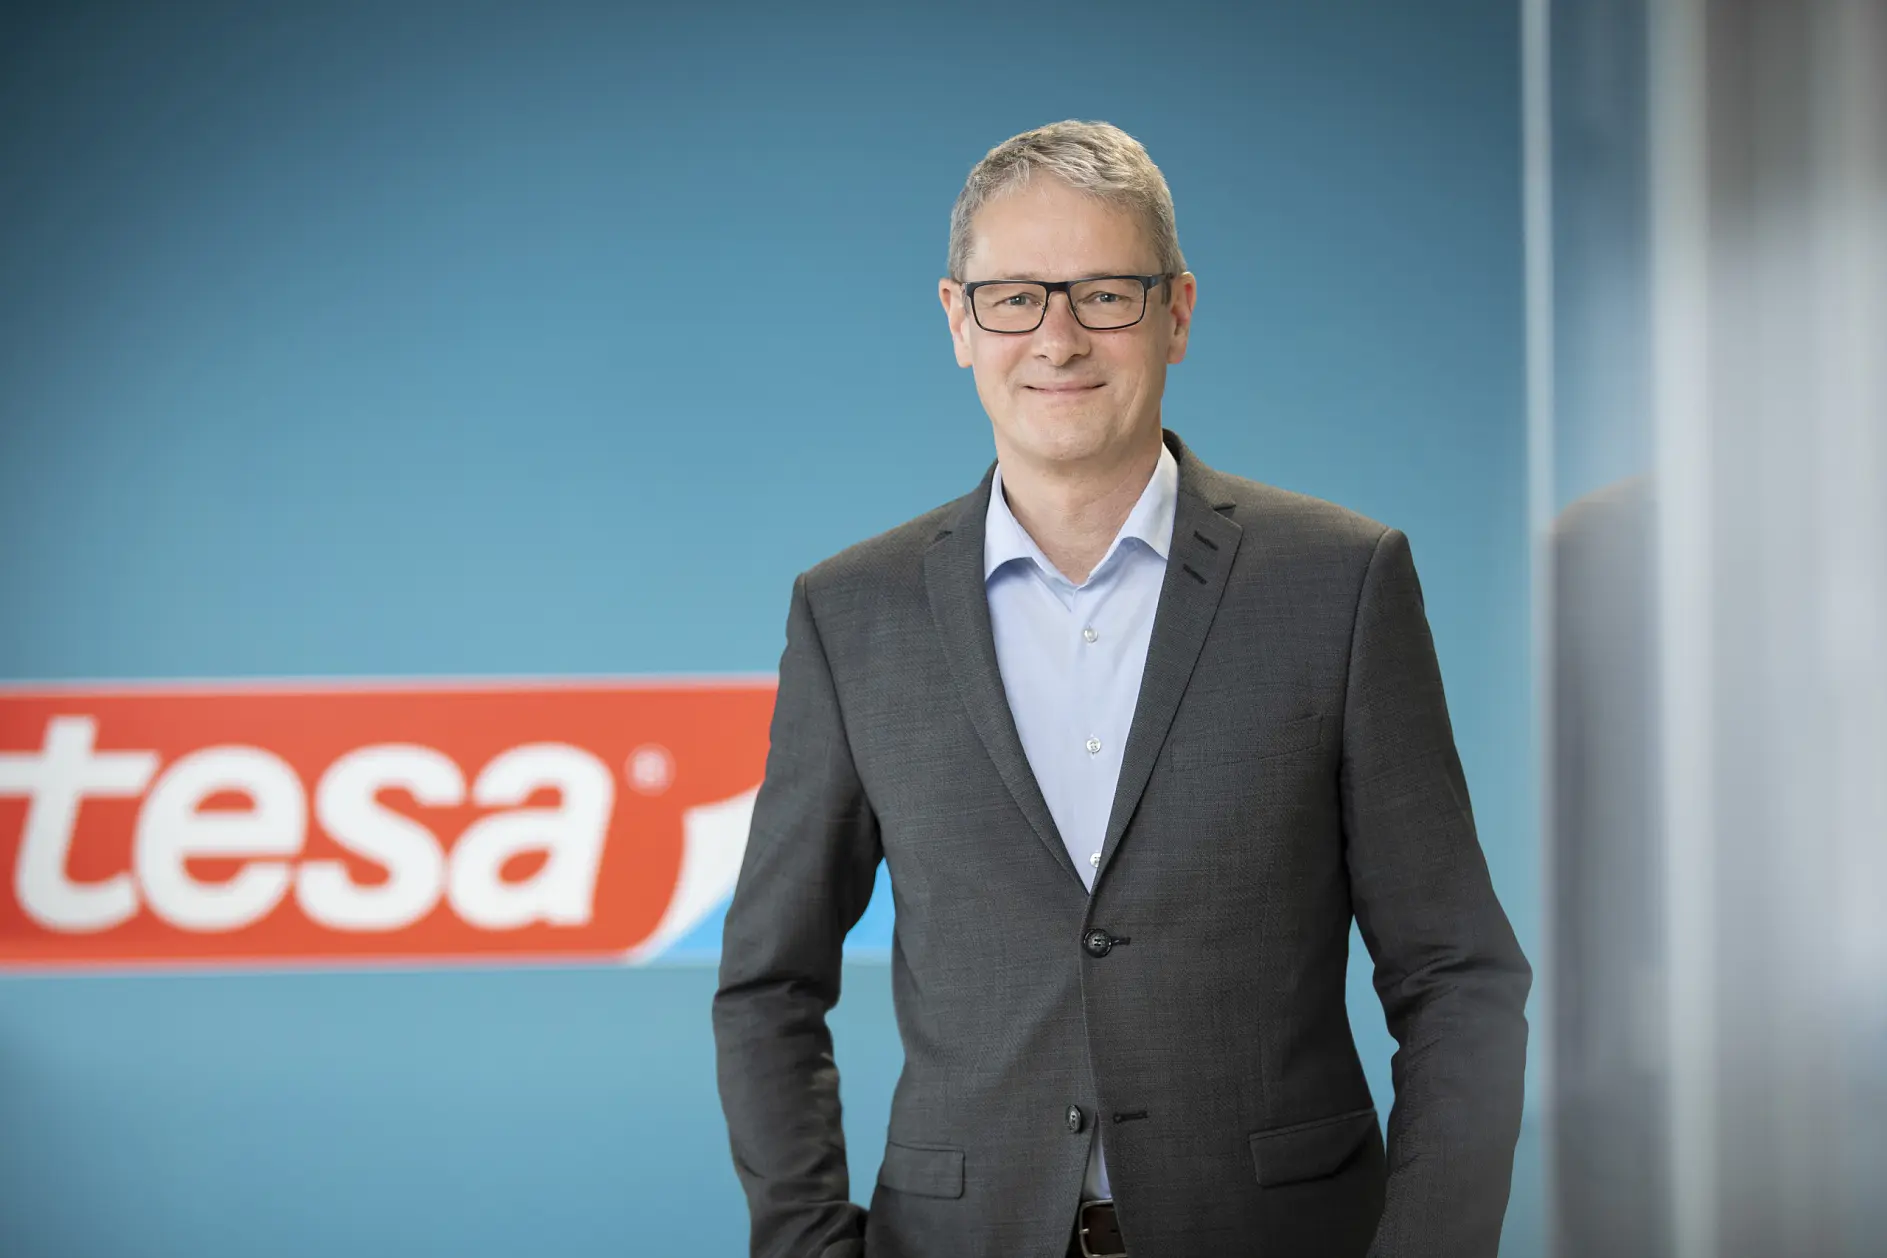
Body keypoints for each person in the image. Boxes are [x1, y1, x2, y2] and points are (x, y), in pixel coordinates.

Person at [712, 119, 1530, 1258]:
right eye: (1012, 298)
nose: (1056, 336)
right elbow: (767, 985)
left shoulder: (1341, 581)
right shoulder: (855, 612)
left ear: (1178, 313)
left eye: (1105, 293)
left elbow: (1456, 973)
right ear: (958, 319)